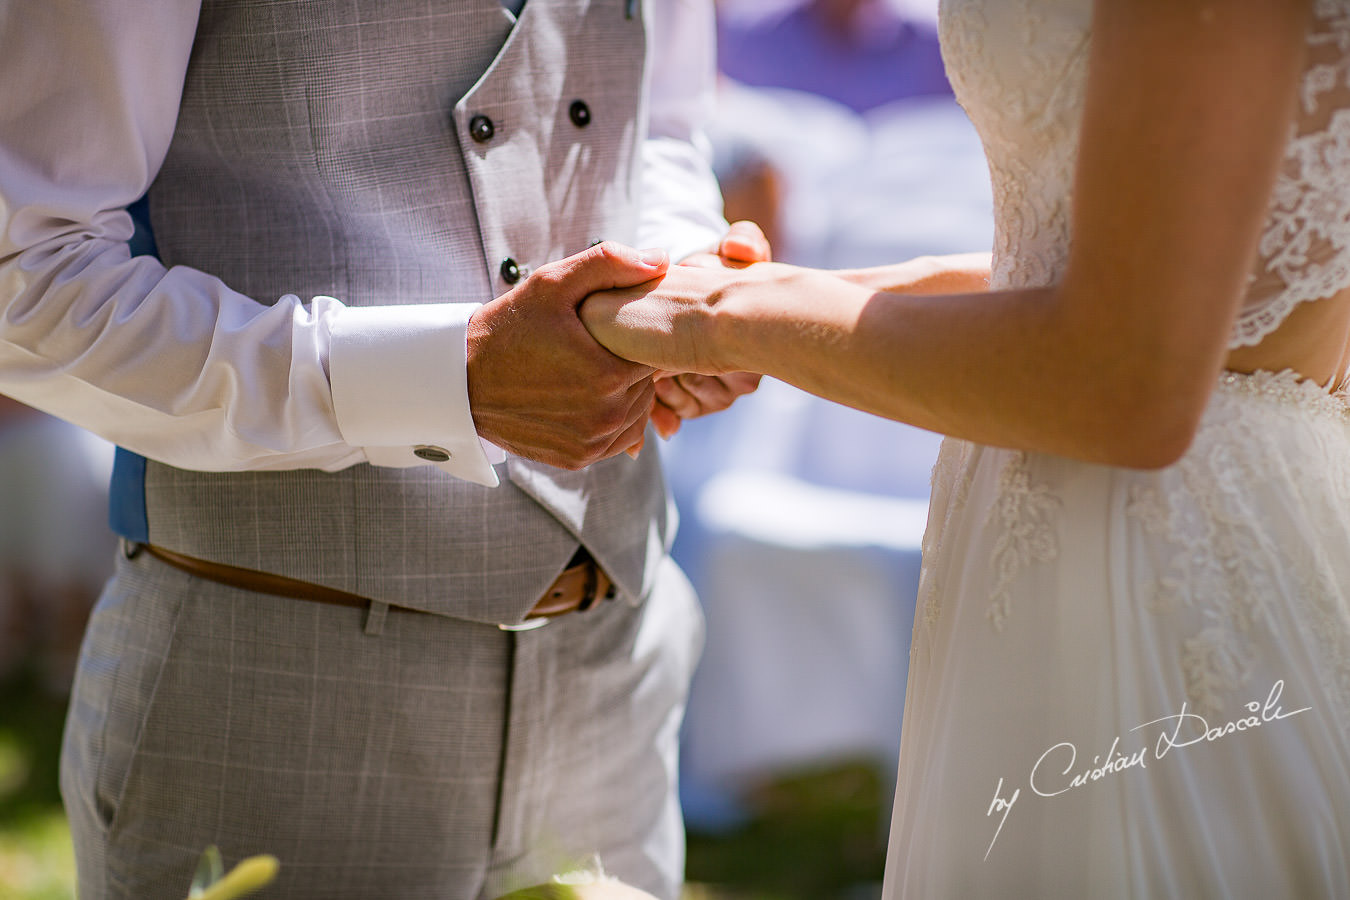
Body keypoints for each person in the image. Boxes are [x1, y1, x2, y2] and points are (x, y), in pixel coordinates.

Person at [581, 0, 1350, 895]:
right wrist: (753, 299)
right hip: (1053, 538)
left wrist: (720, 319)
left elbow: (1127, 382)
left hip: (1172, 560)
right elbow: (1096, 271)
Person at [0, 3, 764, 899]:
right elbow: (32, 282)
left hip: (618, 674)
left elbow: (663, 124)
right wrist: (451, 376)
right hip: (271, 704)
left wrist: (681, 279)